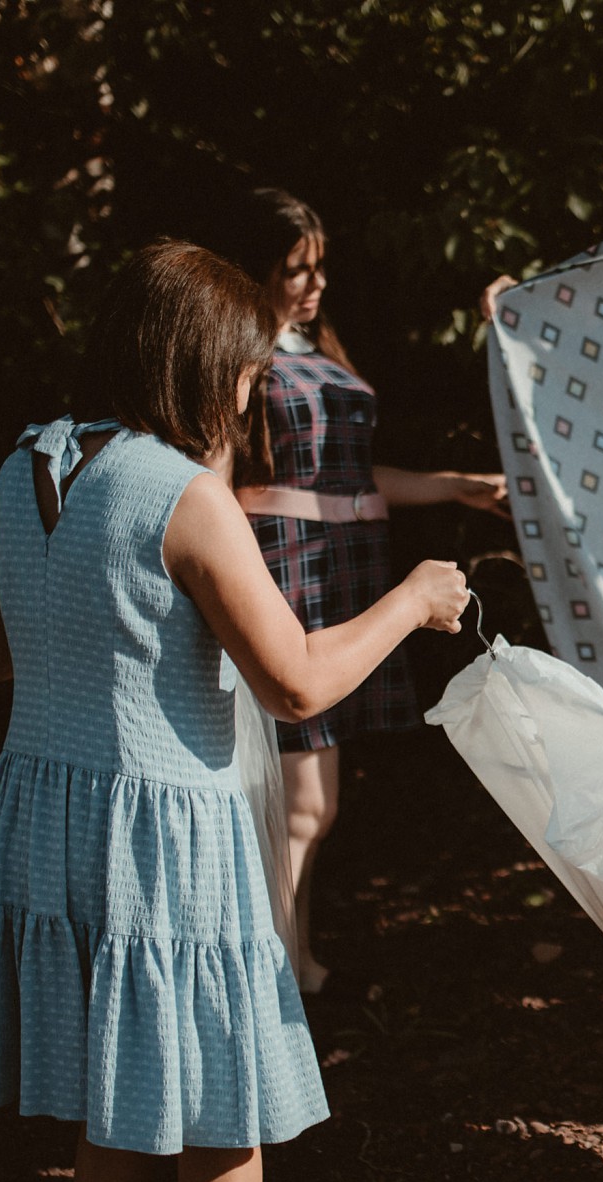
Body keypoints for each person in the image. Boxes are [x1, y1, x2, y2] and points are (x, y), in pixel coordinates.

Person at [0, 239, 469, 1182]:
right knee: (217, 1090)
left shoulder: (22, 470)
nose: (251, 393)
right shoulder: (184, 494)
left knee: (114, 1090)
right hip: (163, 830)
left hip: (45, 817)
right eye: (243, 372)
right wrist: (411, 599)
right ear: (195, 363)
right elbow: (293, 680)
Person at [214, 188, 507, 998]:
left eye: (320, 267)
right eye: (295, 269)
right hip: (282, 571)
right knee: (302, 801)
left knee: (308, 803)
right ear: (256, 270)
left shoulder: (316, 345)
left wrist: (456, 487)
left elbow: (349, 480)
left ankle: (295, 961)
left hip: (342, 571)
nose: (314, 284)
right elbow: (224, 480)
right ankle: (265, 976)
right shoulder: (234, 355)